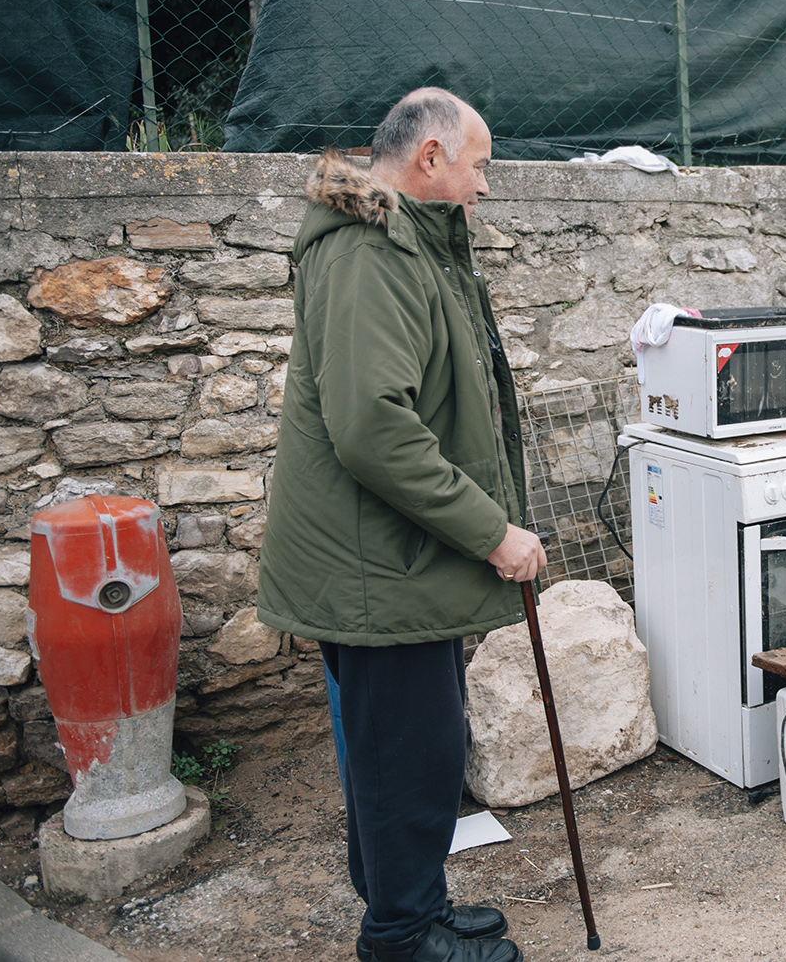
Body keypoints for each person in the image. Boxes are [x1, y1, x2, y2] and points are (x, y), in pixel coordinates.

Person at [257, 87, 545, 962]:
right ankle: (401, 936)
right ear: (430, 158)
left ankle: (415, 902)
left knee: (416, 750)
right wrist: (493, 532)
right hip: (376, 569)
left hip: (400, 561)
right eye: (479, 165)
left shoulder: (411, 248)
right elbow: (375, 428)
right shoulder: (370, 255)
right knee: (405, 760)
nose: (485, 186)